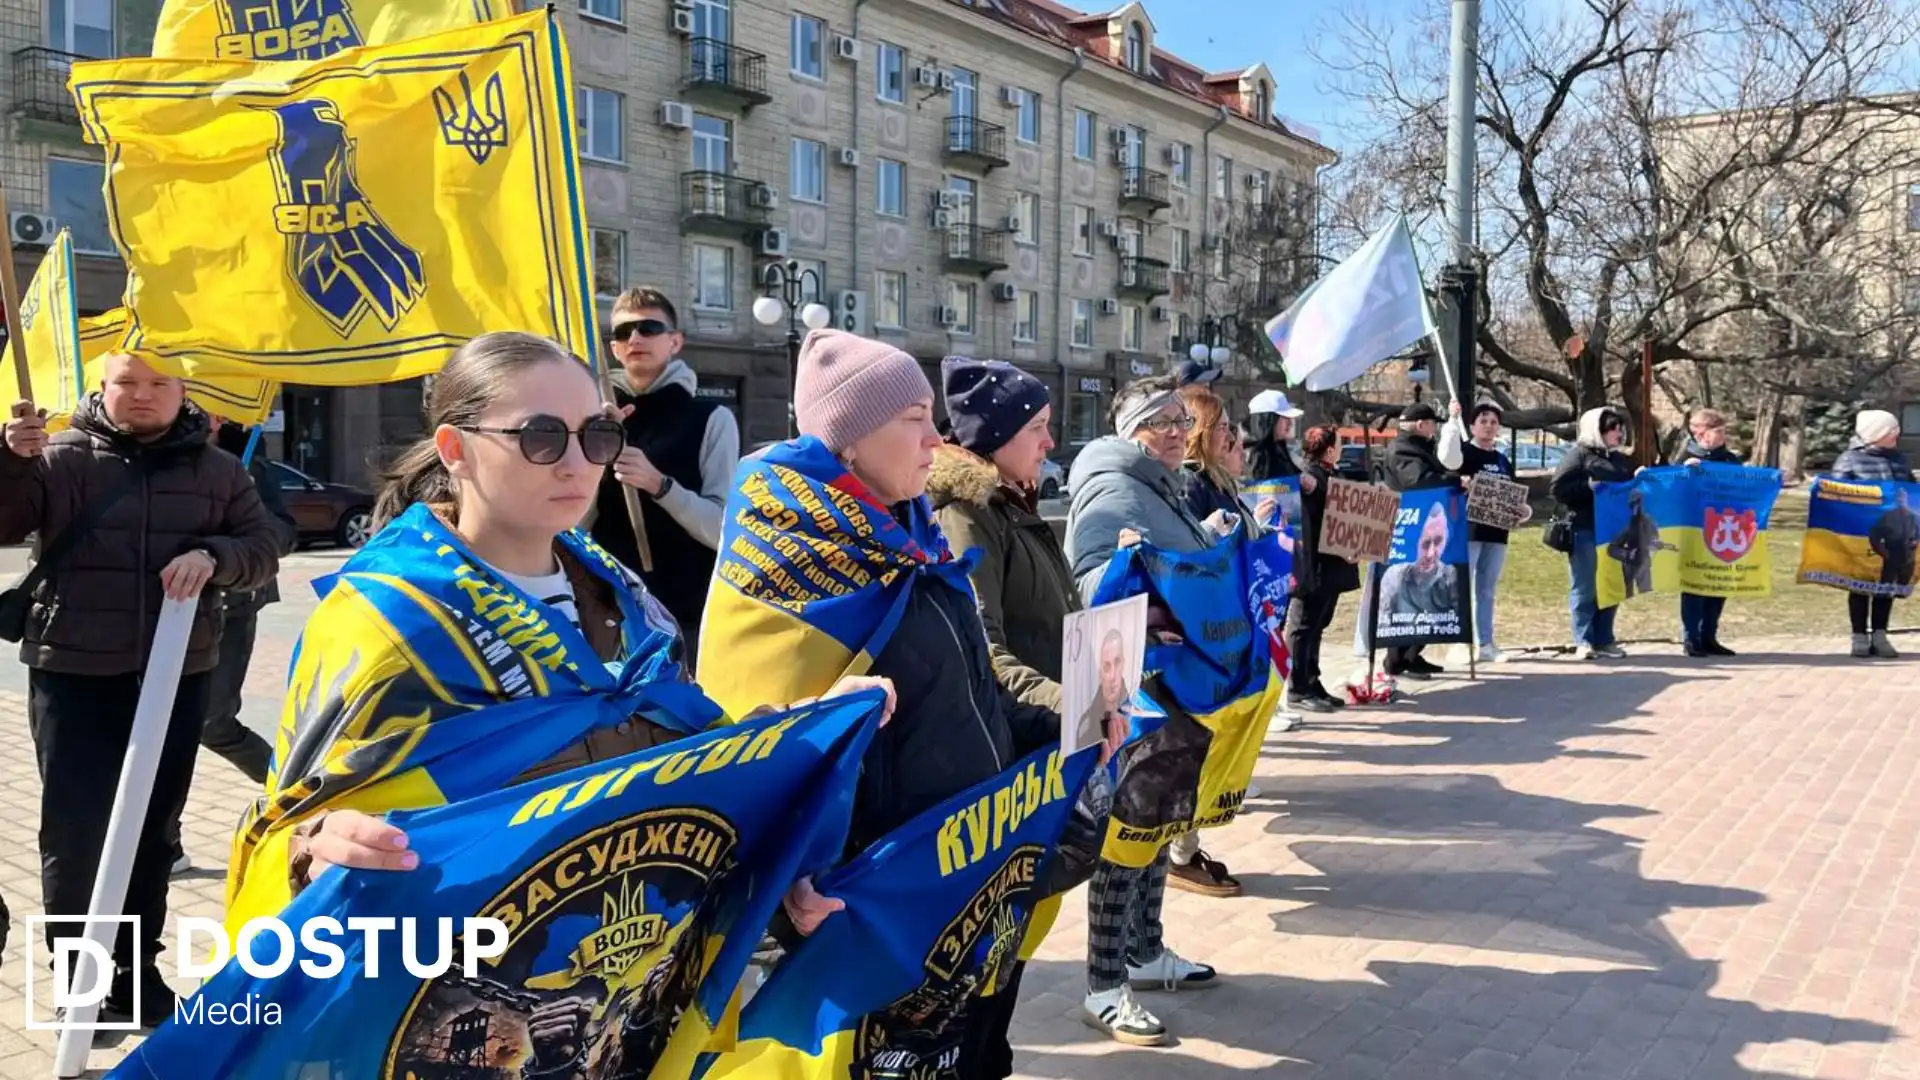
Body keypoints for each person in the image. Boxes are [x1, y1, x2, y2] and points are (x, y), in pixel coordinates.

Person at [697, 330, 1072, 1074]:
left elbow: (970, 692)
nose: (936, 439)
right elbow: (746, 746)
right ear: (849, 437)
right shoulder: (787, 558)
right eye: (913, 419)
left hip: (962, 882)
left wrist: (1068, 723)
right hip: (869, 909)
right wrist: (790, 876)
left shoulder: (913, 536)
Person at [0, 355, 283, 1026]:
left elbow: (265, 544)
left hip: (178, 672)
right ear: (103, 388)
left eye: (159, 383)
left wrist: (214, 556)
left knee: (155, 830)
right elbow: (6, 523)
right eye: (127, 383)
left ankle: (136, 977)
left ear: (184, 390)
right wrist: (10, 461)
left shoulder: (220, 469)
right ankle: (79, 981)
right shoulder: (59, 457)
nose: (142, 396)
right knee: (76, 831)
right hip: (73, 671)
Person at [924, 355, 1103, 1080]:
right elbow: (983, 652)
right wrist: (1076, 705)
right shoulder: (965, 514)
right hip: (1002, 759)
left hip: (1040, 749)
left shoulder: (1014, 502)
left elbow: (1051, 619)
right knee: (983, 962)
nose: (1050, 443)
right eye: (1037, 428)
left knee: (1010, 950)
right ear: (993, 437)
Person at [1064, 375, 1229, 1046]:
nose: (1177, 432)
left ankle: (1145, 950)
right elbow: (1091, 581)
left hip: (1169, 682)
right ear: (1130, 429)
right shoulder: (1114, 486)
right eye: (1161, 421)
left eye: (1181, 420)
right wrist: (1147, 587)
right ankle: (1105, 986)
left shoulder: (1160, 485)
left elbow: (1174, 562)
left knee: (1160, 823)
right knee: (1125, 833)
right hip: (1133, 690)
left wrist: (1210, 540)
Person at [168, 418, 300, 875]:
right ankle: (165, 842)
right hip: (164, 609)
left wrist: (239, 531)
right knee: (160, 726)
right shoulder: (157, 459)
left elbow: (283, 533)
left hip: (233, 606)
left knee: (212, 722)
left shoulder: (247, 466)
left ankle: (294, 788)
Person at [590, 288, 740, 663]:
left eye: (649, 328)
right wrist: (592, 443)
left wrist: (660, 485)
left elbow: (723, 529)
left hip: (684, 612)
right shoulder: (594, 418)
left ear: (675, 342)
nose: (635, 338)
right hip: (605, 606)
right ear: (614, 349)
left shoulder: (711, 419)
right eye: (623, 332)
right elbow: (573, 521)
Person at [1377, 401, 1463, 679]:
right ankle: (1396, 660)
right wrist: (1453, 480)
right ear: (1420, 424)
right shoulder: (1402, 449)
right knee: (1405, 596)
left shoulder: (1420, 447)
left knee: (1431, 599)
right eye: (1432, 423)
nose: (1434, 428)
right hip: (1410, 529)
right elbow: (1418, 481)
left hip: (1428, 524)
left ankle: (1413, 655)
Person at [1551, 406, 1636, 659]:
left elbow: (1628, 487)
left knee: (1611, 584)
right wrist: (1589, 488)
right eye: (1612, 429)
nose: (1618, 433)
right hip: (1585, 529)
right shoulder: (1578, 455)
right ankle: (1584, 640)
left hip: (1614, 532)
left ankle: (1605, 639)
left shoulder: (1618, 460)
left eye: (1620, 428)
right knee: (1585, 586)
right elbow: (1558, 489)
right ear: (1596, 430)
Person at [1288, 426, 1360, 712]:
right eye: (1340, 444)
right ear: (1329, 450)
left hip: (1331, 566)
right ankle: (1298, 688)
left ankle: (1312, 680)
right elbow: (1314, 525)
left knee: (1318, 625)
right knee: (1304, 626)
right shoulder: (1310, 480)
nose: (1341, 448)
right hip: (1316, 566)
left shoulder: (1329, 476)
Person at [1834, 409, 1915, 658]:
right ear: (1876, 433)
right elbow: (1835, 494)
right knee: (1859, 586)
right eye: (1892, 430)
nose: (1897, 434)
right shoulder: (1849, 460)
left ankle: (1880, 634)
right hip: (1861, 534)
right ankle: (1859, 636)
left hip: (1896, 538)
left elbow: (1912, 492)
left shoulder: (1899, 460)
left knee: (1886, 586)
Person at [1673, 408, 1742, 656]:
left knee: (1718, 583)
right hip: (1694, 530)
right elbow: (1669, 486)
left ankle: (1709, 636)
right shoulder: (1686, 456)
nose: (1723, 436)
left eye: (1724, 431)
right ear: (1700, 433)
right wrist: (1684, 473)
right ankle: (1691, 638)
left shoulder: (1730, 460)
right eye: (1718, 431)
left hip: (1724, 529)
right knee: (1695, 585)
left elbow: (1744, 486)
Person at [1458, 401, 1519, 661]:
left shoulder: (1502, 460)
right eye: (1483, 421)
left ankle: (1486, 643)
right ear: (1472, 426)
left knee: (1486, 590)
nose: (1489, 426)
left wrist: (1521, 509)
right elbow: (1447, 481)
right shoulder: (1463, 454)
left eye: (1494, 422)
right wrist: (1462, 483)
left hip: (1498, 533)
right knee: (1461, 586)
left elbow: (1513, 494)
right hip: (1469, 530)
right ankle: (1460, 643)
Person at [1244, 388, 1305, 484]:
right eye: (1284, 417)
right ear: (1270, 420)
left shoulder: (1281, 450)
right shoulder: (1256, 455)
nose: (1290, 423)